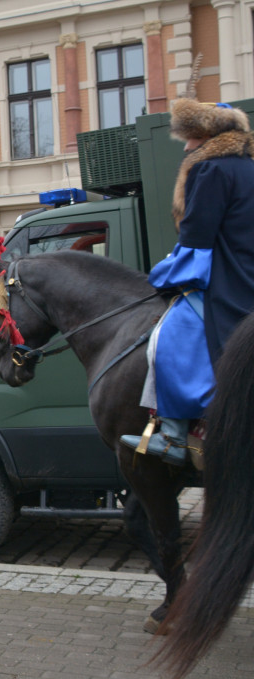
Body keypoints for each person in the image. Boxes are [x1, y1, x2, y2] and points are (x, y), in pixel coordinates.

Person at [121, 99, 254, 465]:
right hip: (248, 279)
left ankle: (174, 435)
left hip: (227, 284)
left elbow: (196, 243)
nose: (184, 147)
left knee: (167, 339)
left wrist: (162, 276)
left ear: (206, 136)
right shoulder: (248, 167)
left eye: (189, 138)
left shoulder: (210, 170)